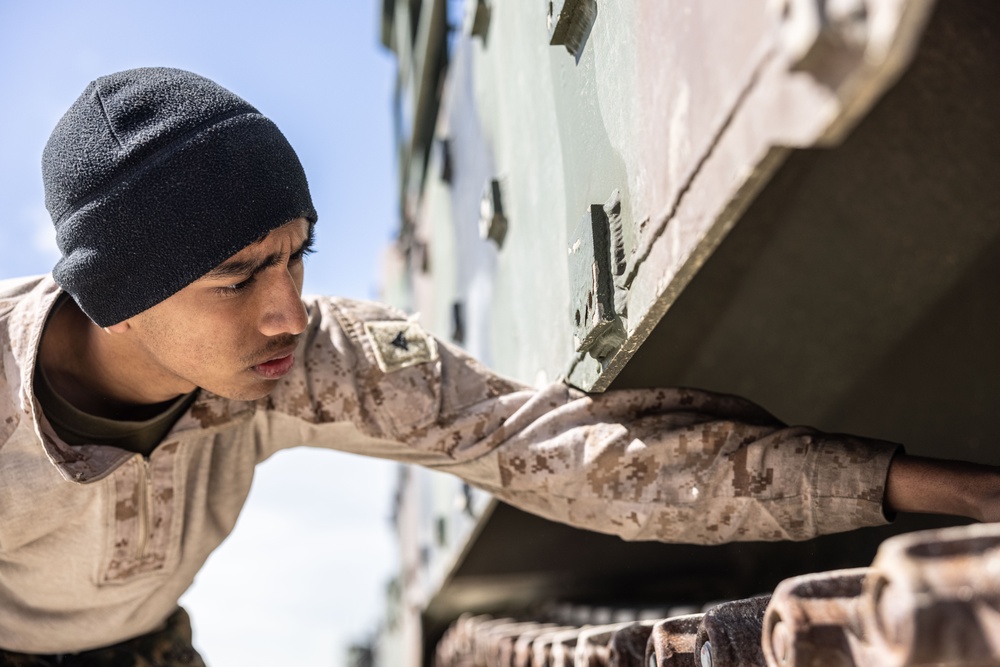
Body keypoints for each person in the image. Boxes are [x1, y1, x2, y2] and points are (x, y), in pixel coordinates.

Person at [0, 67, 995, 665]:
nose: (289, 309)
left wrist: (938, 487)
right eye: (236, 276)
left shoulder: (308, 361)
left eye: (297, 255)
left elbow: (568, 452)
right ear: (115, 296)